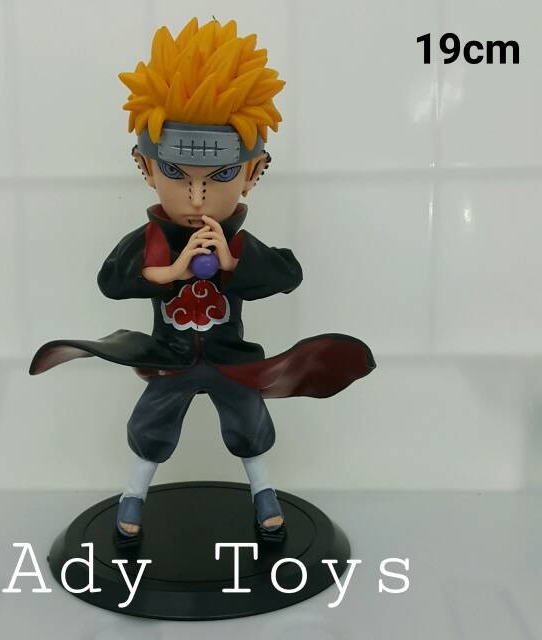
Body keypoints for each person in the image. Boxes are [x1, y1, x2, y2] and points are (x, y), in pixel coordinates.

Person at [29, 17, 375, 544]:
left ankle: (263, 492)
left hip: (231, 359)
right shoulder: (151, 240)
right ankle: (133, 495)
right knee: (152, 429)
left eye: (218, 178)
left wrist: (233, 263)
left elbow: (287, 273)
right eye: (176, 175)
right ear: (145, 167)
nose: (196, 198)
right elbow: (111, 280)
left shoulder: (238, 244)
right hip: (170, 359)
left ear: (253, 173)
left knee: (249, 425)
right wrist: (171, 272)